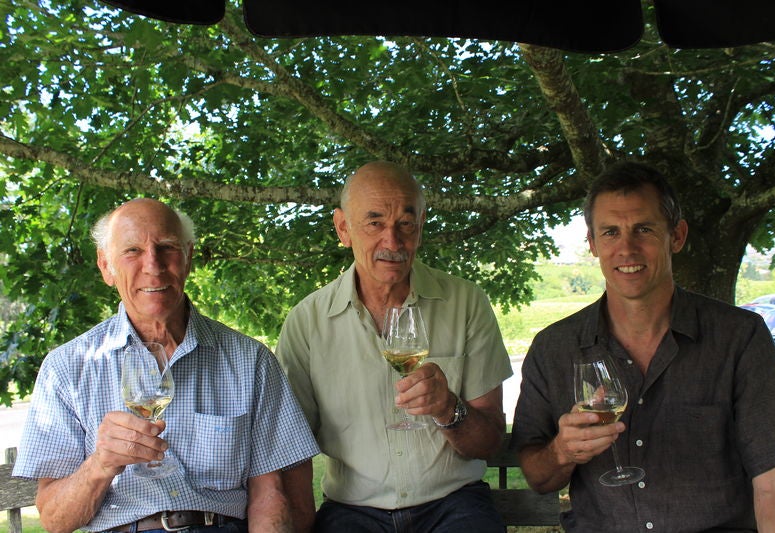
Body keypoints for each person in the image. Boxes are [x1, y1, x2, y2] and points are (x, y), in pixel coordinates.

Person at [13, 198, 319, 533]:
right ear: (106, 267)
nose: (153, 265)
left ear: (187, 258)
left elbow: (271, 493)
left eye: (167, 247)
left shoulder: (250, 360)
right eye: (132, 251)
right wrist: (101, 464)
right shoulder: (67, 367)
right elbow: (55, 520)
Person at [511, 161, 775, 532]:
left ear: (677, 236)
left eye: (643, 229)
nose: (627, 248)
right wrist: (563, 451)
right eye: (610, 232)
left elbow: (774, 477)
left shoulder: (740, 337)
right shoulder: (554, 348)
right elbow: (538, 478)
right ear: (592, 244)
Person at [276, 161, 513, 532]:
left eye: (406, 223)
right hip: (353, 510)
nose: (393, 241)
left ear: (420, 227)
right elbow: (289, 448)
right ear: (343, 228)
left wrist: (448, 409)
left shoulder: (466, 302)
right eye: (374, 223)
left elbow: (490, 442)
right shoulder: (306, 323)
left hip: (454, 503)